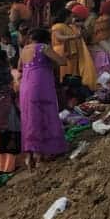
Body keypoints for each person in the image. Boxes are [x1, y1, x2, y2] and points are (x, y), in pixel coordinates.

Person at [19, 29, 69, 167]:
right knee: (44, 115)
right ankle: (41, 153)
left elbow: (19, 68)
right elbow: (61, 62)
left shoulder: (24, 50)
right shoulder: (43, 47)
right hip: (40, 85)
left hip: (25, 85)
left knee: (29, 117)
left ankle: (29, 155)